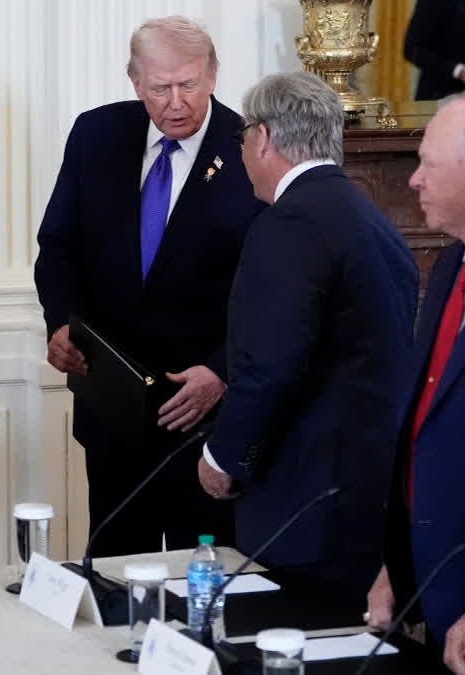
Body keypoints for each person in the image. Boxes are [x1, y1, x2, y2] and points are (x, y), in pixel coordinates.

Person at [33, 16, 262, 557]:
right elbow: (58, 246)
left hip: (201, 411)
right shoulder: (96, 134)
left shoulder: (249, 150)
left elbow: (268, 292)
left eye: (189, 84)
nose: (176, 102)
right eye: (160, 88)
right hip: (111, 403)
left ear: (213, 76)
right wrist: (60, 321)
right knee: (114, 571)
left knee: (201, 576)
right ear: (135, 81)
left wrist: (223, 371)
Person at [197, 71, 418, 595]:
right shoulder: (371, 218)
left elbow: (268, 365)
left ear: (265, 137)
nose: (244, 152)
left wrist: (223, 457)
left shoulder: (289, 223)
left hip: (302, 505)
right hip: (365, 498)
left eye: (243, 137)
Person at [366, 89, 465, 675]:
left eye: (429, 162)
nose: (413, 180)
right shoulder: (453, 263)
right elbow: (425, 427)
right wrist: (396, 569)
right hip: (437, 600)